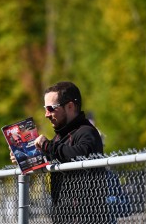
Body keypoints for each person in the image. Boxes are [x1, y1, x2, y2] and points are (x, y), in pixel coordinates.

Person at [10, 81, 108, 223]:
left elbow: (78, 154)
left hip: (86, 218)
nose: (46, 114)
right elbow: (56, 154)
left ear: (70, 106)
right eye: (45, 109)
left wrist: (48, 147)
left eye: (51, 108)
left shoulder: (87, 132)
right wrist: (24, 156)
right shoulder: (59, 138)